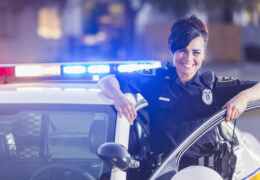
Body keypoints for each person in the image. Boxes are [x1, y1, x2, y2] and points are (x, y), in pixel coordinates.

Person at [97, 14, 260, 169]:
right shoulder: (155, 80)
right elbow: (107, 80)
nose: (188, 59)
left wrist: (243, 97)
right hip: (164, 173)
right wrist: (118, 97)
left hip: (203, 174)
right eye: (182, 50)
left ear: (203, 54)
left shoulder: (213, 86)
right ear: (172, 50)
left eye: (196, 52)